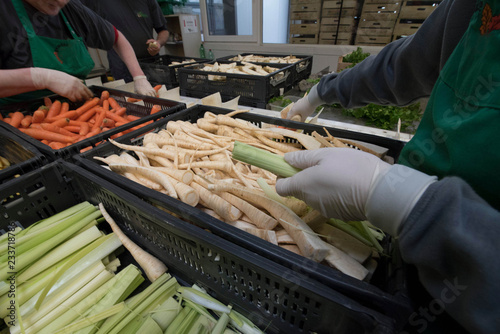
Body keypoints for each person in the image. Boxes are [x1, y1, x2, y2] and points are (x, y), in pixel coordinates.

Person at [278, 0, 500, 332]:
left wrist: (408, 202)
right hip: (405, 240)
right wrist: (320, 93)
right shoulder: (473, 5)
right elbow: (405, 64)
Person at [0, 0, 157, 105]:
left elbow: (117, 38)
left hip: (77, 111)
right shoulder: (5, 11)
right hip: (16, 119)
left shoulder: (69, 8)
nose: (61, 2)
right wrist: (42, 78)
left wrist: (139, 77)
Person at [81, 0, 169, 83]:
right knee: (131, 97)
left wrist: (159, 43)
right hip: (122, 66)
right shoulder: (100, 2)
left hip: (151, 62)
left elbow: (163, 30)